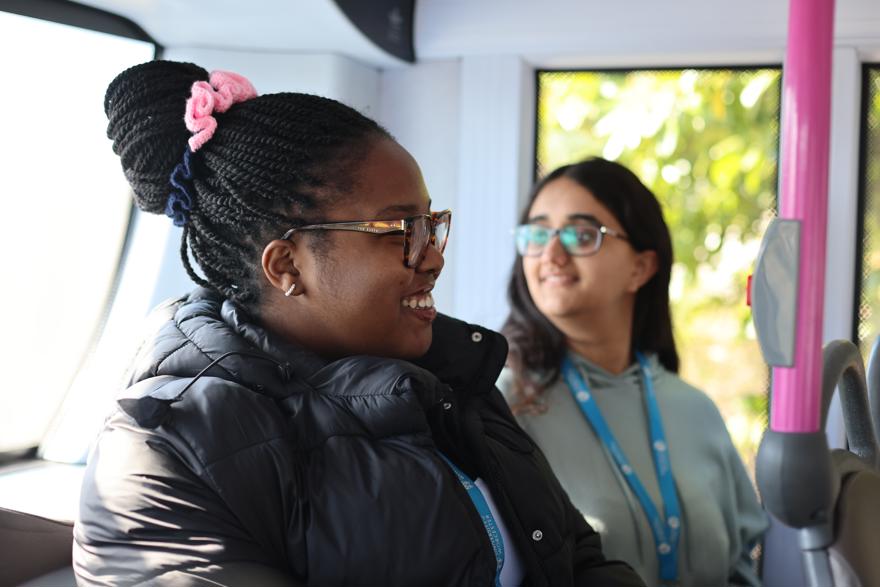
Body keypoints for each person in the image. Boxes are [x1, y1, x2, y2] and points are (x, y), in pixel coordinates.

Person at [72, 61, 645, 587]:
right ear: (287, 265)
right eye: (398, 230)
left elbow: (578, 560)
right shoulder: (162, 447)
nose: (434, 256)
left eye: (431, 224)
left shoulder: (456, 378)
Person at [497, 158, 769, 587]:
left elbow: (741, 567)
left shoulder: (695, 409)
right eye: (537, 233)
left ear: (641, 268)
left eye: (581, 234)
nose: (551, 253)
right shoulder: (504, 403)